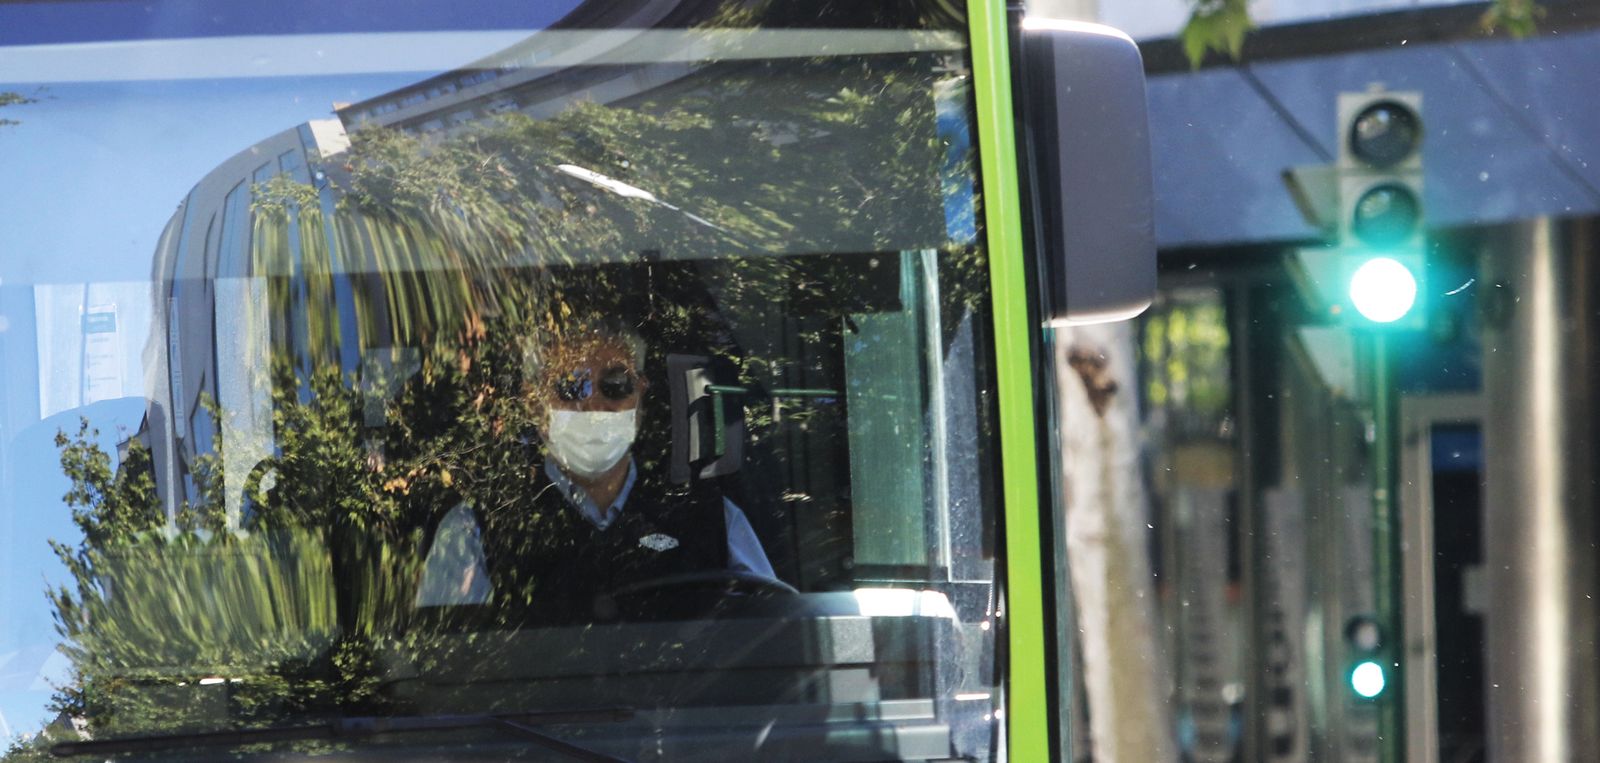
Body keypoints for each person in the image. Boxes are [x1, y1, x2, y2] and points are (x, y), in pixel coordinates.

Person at [415, 318, 777, 622]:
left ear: (640, 394)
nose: (594, 404)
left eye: (616, 385)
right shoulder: (474, 532)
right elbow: (444, 673)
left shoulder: (713, 518)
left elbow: (771, 643)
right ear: (533, 401)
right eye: (571, 386)